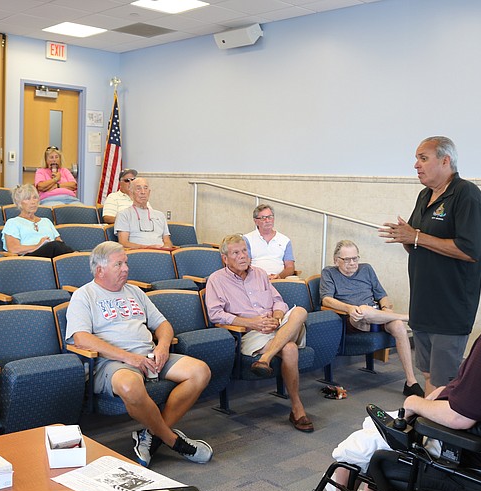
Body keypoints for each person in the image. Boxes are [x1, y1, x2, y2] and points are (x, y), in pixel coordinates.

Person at [285, 250, 481, 491]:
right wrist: (444, 390)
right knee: (375, 425)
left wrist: (416, 402)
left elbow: (460, 418)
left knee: (353, 448)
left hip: (464, 444)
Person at [65, 242, 213, 467]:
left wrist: (162, 346)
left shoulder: (134, 291)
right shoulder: (84, 296)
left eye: (126, 263)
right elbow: (81, 339)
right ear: (100, 270)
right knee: (130, 386)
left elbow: (163, 324)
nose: (126, 268)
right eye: (119, 264)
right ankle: (173, 440)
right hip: (112, 363)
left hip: (149, 356)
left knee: (200, 372)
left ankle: (151, 436)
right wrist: (129, 357)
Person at [379, 136, 481, 395]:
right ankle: (429, 431)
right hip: (422, 304)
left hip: (449, 308)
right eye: (416, 159)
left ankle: (437, 433)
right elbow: (420, 243)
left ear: (445, 160)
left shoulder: (466, 193)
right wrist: (407, 238)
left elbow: (469, 250)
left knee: (443, 381)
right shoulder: (424, 195)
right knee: (428, 374)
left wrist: (416, 236)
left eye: (423, 158)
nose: (416, 165)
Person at [205, 234, 313, 432]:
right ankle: (297, 408)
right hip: (250, 333)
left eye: (244, 251)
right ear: (225, 258)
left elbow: (278, 302)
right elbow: (216, 314)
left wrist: (278, 318)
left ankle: (265, 358)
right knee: (289, 349)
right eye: (235, 253)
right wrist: (252, 323)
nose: (242, 256)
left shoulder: (260, 274)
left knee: (300, 311)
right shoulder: (216, 280)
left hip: (277, 326)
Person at [320, 240, 422, 397]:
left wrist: (386, 308)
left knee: (398, 326)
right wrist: (349, 308)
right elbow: (326, 300)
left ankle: (411, 381)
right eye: (347, 259)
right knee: (364, 310)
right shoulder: (329, 272)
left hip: (375, 315)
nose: (352, 263)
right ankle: (409, 317)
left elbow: (382, 295)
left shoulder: (366, 269)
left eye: (355, 258)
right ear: (336, 260)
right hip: (352, 318)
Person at [1, 184, 75, 258]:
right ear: (19, 203)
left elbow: (60, 243)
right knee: (55, 245)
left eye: (35, 198)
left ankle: (76, 257)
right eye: (28, 199)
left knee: (58, 246)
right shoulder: (13, 222)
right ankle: (76, 256)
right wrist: (38, 245)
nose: (33, 202)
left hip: (53, 255)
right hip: (30, 258)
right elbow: (13, 249)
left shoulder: (46, 221)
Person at [114, 177, 175, 250]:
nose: (143, 192)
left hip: (161, 253)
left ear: (149, 192)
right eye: (138, 188)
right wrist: (147, 248)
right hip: (138, 254)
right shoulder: (124, 214)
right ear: (131, 192)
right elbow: (123, 243)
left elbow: (167, 240)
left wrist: (166, 247)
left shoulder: (160, 215)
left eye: (145, 188)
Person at [243, 204, 296, 279]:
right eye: (263, 218)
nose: (267, 221)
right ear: (256, 221)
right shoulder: (247, 239)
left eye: (270, 217)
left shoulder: (285, 240)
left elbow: (290, 267)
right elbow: (244, 265)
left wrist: (279, 277)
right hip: (255, 280)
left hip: (279, 281)